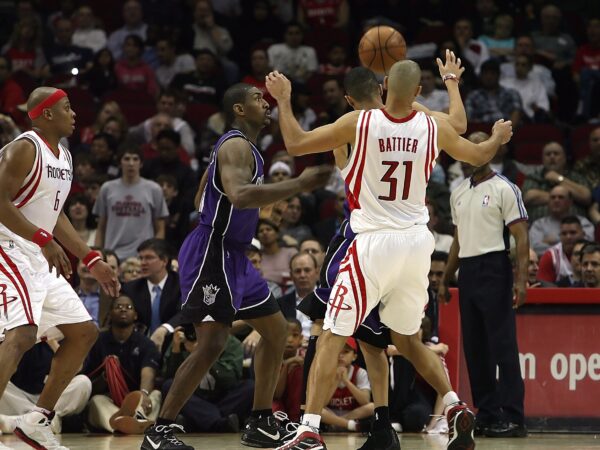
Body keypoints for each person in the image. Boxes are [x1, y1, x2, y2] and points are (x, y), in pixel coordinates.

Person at [266, 51, 511, 449]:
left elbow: (294, 144)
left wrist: (283, 99)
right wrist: (490, 130)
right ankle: (451, 404)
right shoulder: (432, 125)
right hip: (417, 243)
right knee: (408, 339)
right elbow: (475, 147)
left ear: (383, 89)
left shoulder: (358, 122)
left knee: (331, 335)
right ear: (416, 92)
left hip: (373, 243)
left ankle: (309, 429)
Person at [139, 83, 331, 450]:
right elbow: (240, 195)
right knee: (211, 343)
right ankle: (159, 431)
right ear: (240, 110)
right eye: (258, 99)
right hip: (215, 251)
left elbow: (202, 195)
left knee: (275, 330)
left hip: (236, 255)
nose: (266, 103)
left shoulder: (242, 149)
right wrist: (299, 184)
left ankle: (259, 420)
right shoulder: (235, 144)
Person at [0, 87, 119, 449]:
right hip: (8, 248)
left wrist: (91, 258)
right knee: (21, 335)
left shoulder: (64, 156)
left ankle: (37, 420)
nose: (74, 114)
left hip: (36, 251)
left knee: (84, 332)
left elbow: (57, 215)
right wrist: (41, 237)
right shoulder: (25, 147)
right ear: (46, 114)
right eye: (67, 108)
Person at [439, 132, 529, 438]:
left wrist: (522, 281)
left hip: (495, 267)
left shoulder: (506, 187)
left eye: (478, 147)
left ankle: (514, 417)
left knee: (503, 345)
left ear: (489, 151)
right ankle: (488, 415)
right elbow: (457, 240)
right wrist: (445, 277)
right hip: (468, 269)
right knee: (475, 348)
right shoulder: (458, 192)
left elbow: (521, 237)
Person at [85, 295, 161, 434]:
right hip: (109, 398)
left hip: (137, 395)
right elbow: (89, 382)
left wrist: (143, 394)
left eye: (128, 307)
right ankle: (124, 423)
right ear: (110, 314)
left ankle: (138, 418)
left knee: (155, 395)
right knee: (96, 401)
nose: (123, 310)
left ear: (135, 315)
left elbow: (148, 372)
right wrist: (104, 379)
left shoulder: (146, 343)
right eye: (118, 307)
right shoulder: (98, 341)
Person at [93, 146, 169, 260]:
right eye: (127, 159)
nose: (131, 163)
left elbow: (160, 229)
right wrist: (97, 255)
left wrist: (154, 254)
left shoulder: (154, 189)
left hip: (142, 256)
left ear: (141, 163)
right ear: (120, 163)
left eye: (135, 159)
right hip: (112, 255)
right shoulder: (107, 188)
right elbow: (101, 228)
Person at [121, 238, 184, 349]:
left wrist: (164, 329)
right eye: (141, 258)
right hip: (139, 349)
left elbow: (184, 313)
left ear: (164, 260)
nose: (143, 263)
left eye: (149, 258)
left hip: (174, 346)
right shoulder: (130, 289)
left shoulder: (180, 285)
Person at [529, 185, 594, 256]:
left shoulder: (583, 223)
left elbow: (588, 247)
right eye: (553, 197)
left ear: (570, 202)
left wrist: (552, 241)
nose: (556, 200)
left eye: (561, 197)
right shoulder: (538, 224)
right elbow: (535, 248)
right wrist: (571, 244)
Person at [537, 216, 586, 286]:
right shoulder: (550, 256)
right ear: (559, 235)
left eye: (573, 233)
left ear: (583, 234)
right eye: (564, 233)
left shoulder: (594, 253)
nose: (568, 237)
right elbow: (544, 287)